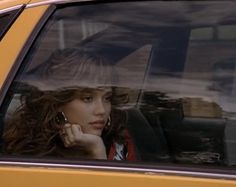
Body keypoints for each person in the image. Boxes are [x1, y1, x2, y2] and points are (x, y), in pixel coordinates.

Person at [3, 48, 137, 160]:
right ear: (58, 102)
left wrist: (97, 149)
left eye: (107, 98)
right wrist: (97, 152)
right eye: (88, 98)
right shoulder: (32, 159)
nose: (101, 110)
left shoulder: (119, 141)